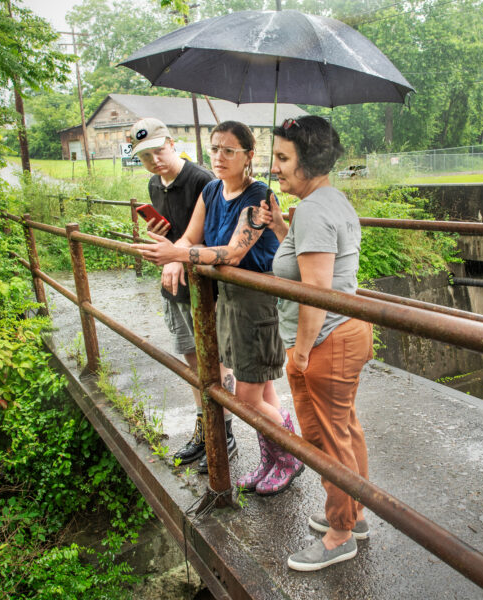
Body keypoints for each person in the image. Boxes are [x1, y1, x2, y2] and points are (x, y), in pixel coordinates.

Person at [133, 120, 304, 492]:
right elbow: (193, 236)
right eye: (214, 149)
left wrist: (179, 253)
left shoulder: (260, 197)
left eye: (229, 150)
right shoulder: (210, 190)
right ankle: (272, 458)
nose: (220, 156)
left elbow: (233, 252)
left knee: (245, 397)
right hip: (226, 300)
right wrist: (172, 246)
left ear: (248, 156)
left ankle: (292, 457)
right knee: (263, 392)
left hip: (255, 304)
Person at [262, 116, 374, 571]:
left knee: (327, 440)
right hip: (346, 332)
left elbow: (316, 293)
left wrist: (302, 355)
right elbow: (312, 264)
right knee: (344, 429)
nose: (276, 167)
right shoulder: (330, 201)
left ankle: (340, 534)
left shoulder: (313, 209)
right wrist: (278, 232)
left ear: (308, 163)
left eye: (283, 158)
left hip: (324, 340)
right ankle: (355, 513)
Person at [128, 117, 237, 470]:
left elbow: (221, 234)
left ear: (172, 143)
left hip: (206, 286)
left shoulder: (203, 180)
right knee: (192, 359)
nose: (155, 161)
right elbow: (174, 232)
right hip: (175, 285)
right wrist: (164, 238)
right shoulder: (153, 186)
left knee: (216, 360)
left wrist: (178, 252)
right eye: (146, 156)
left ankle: (225, 432)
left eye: (159, 151)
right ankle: (205, 428)